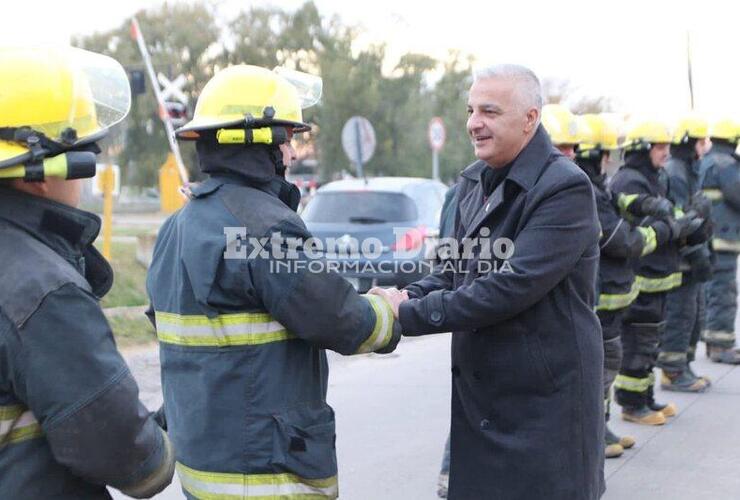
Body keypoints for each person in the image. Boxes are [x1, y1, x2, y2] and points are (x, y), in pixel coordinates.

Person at [146, 65, 401, 499]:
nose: (293, 154)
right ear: (257, 145)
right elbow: (339, 319)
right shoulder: (264, 229)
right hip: (266, 476)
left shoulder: (176, 228)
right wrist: (386, 309)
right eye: (286, 139)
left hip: (204, 472)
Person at [373, 64, 604, 500]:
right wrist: (399, 296)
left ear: (530, 119)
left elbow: (509, 287)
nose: (473, 123)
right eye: (471, 110)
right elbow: (448, 269)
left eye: (490, 111)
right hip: (484, 402)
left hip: (544, 408)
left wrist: (405, 313)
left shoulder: (564, 189)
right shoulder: (472, 182)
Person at [0, 46, 174, 498]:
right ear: (40, 172)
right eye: (83, 155)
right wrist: (162, 443)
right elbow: (136, 464)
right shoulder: (42, 293)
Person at [610, 119, 706, 425]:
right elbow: (640, 207)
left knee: (651, 342)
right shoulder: (629, 179)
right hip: (642, 277)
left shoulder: (656, 175)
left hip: (661, 273)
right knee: (638, 341)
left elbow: (670, 213)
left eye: (666, 146)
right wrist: (665, 214)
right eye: (660, 147)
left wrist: (690, 223)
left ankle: (645, 398)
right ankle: (631, 403)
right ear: (642, 149)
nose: (665, 153)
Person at [659, 114, 713, 389]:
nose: (705, 145)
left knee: (692, 313)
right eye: (701, 140)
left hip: (690, 256)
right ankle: (673, 371)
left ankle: (684, 365)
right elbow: (681, 221)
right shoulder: (676, 172)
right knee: (680, 314)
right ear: (690, 142)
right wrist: (696, 250)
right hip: (680, 259)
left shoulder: (689, 168)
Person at [700, 118, 740, 363]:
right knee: (723, 293)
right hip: (723, 240)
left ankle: (712, 341)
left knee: (713, 291)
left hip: (710, 238)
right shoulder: (726, 164)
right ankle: (720, 346)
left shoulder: (706, 161)